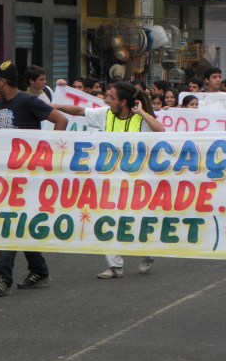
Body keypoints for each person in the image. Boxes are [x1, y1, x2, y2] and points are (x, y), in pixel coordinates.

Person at [54, 82, 164, 279]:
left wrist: (141, 112)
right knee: (107, 218)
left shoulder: (140, 119)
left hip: (137, 181)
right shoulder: (105, 114)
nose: (106, 101)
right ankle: (115, 266)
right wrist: (52, 106)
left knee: (136, 222)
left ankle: (147, 254)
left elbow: (161, 131)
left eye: (111, 98)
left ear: (123, 102)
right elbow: (79, 111)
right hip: (110, 179)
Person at [0, 61, 69, 297]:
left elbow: (61, 120)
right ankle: (39, 270)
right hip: (6, 174)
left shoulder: (28, 101)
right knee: (19, 223)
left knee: (11, 224)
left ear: (2, 81)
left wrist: (48, 155)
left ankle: (2, 278)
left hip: (28, 176)